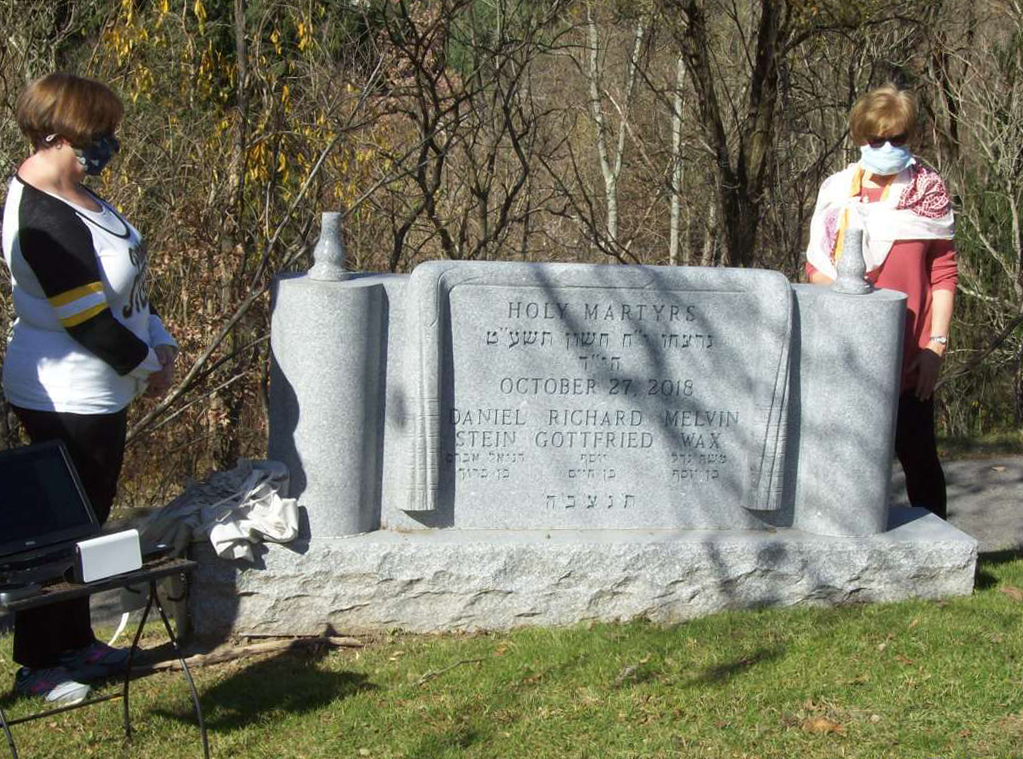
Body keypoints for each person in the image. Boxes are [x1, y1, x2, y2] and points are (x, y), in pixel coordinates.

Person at [1, 73, 178, 703]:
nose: (108, 144)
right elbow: (87, 320)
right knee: (57, 532)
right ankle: (41, 663)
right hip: (67, 395)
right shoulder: (43, 217)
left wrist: (161, 340)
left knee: (86, 522)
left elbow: (126, 286)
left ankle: (75, 639)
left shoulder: (79, 193)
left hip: (105, 388)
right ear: (60, 132)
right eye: (98, 133)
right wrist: (145, 364)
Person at [805, 83, 956, 520]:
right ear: (860, 137)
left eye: (898, 138)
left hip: (911, 358)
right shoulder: (837, 191)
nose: (887, 147)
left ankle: (937, 553)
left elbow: (943, 275)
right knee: (842, 463)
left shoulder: (929, 192)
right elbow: (815, 267)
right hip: (848, 355)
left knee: (920, 462)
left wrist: (935, 347)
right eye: (877, 139)